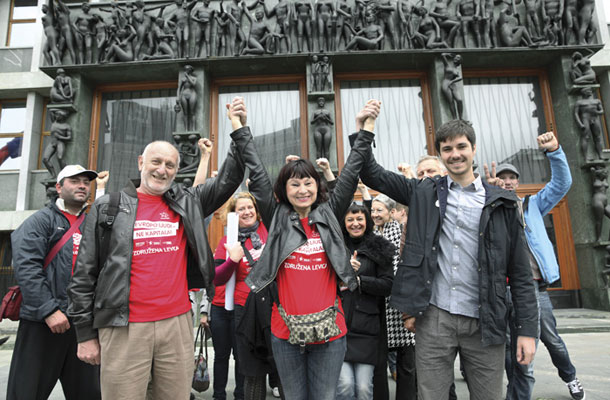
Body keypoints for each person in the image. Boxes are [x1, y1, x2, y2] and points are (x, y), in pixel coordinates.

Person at [67, 125, 256, 398]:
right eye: (156, 161)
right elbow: (84, 274)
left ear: (176, 171)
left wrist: (238, 129)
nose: (162, 169)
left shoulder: (187, 203)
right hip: (123, 327)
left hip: (177, 325)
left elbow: (229, 179)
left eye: (170, 164)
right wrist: (85, 335)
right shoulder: (108, 207)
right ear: (141, 162)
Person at [359, 111, 538, 400]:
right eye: (447, 149)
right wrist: (365, 129)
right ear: (441, 154)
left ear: (473, 149)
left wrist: (527, 331)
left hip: (486, 320)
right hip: (435, 318)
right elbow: (371, 173)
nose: (455, 155)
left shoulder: (502, 203)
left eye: (461, 147)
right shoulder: (423, 192)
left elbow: (519, 273)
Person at [231, 97, 376, 400]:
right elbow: (257, 172)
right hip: (284, 333)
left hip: (330, 333)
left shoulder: (330, 212)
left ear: (317, 185)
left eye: (308, 182)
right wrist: (239, 126)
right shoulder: (277, 216)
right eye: (294, 184)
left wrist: (366, 129)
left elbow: (351, 172)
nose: (302, 190)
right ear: (284, 190)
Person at [493, 132, 584, 400]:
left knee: (551, 339)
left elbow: (561, 183)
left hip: (533, 287)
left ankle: (570, 376)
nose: (508, 182)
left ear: (518, 183)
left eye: (512, 178)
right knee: (512, 349)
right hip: (503, 289)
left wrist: (554, 151)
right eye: (503, 178)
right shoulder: (489, 209)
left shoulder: (531, 205)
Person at [7, 165, 101, 400]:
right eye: (74, 181)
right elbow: (27, 269)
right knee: (27, 392)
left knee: (89, 393)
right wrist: (49, 310)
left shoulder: (93, 224)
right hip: (43, 323)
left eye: (86, 182)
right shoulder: (40, 221)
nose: (82, 185)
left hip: (83, 324)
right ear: (59, 187)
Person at [209, 192, 268, 400]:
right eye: (240, 209)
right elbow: (217, 278)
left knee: (243, 357)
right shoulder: (227, 240)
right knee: (221, 356)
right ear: (233, 214)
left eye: (249, 207)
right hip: (221, 308)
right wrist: (232, 260)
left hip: (249, 309)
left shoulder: (266, 233)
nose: (246, 211)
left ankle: (240, 395)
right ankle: (218, 396)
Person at [338, 203, 394, 400]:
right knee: (344, 386)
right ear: (343, 223)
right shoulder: (335, 246)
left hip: (368, 328)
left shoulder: (380, 247)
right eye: (350, 220)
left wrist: (360, 280)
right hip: (338, 326)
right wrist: (344, 272)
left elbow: (387, 286)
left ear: (367, 221)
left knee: (363, 388)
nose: (355, 224)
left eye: (359, 219)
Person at [372, 193, 416, 400]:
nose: (375, 214)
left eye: (379, 210)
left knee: (407, 363)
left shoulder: (400, 232)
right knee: (379, 363)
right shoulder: (370, 235)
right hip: (378, 305)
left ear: (391, 212)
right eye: (372, 210)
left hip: (400, 304)